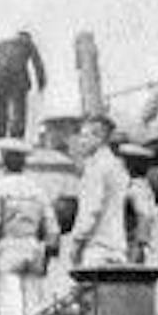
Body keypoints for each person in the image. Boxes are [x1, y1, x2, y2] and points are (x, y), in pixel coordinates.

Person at [0, 140, 61, 315]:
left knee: (10, 305)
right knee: (33, 304)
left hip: (9, 246)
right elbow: (52, 227)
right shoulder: (37, 189)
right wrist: (48, 251)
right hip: (34, 247)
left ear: (4, 160)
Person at [65, 114, 129, 267]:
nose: (81, 141)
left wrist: (76, 242)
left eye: (85, 136)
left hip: (97, 248)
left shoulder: (95, 168)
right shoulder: (117, 166)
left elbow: (91, 209)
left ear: (99, 138)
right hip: (117, 247)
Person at [0, 29, 47, 141]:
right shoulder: (27, 43)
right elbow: (37, 64)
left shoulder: (1, 44)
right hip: (17, 79)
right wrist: (41, 83)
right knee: (19, 109)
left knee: (1, 108)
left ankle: (1, 135)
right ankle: (17, 136)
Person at [118, 142, 157, 264]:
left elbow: (144, 218)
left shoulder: (137, 189)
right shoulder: (139, 187)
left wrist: (136, 254)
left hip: (132, 249)